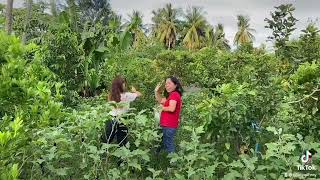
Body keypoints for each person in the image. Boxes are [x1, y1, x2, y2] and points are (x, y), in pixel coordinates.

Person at [101, 75, 142, 147]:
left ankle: (103, 153)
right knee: (122, 140)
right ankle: (122, 156)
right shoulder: (127, 95)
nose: (125, 85)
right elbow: (139, 94)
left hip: (111, 118)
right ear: (120, 85)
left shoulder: (111, 95)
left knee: (107, 139)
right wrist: (134, 91)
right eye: (124, 83)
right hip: (122, 118)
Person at [154, 76, 183, 153]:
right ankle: (158, 158)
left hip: (169, 125)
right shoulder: (171, 95)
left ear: (175, 85)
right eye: (166, 84)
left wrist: (161, 108)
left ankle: (174, 163)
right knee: (161, 142)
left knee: (168, 144)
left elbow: (171, 108)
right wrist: (156, 91)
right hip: (166, 124)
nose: (166, 85)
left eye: (169, 83)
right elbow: (160, 100)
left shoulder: (174, 94)